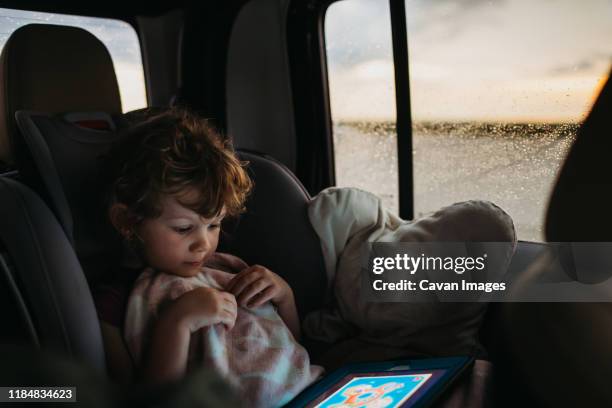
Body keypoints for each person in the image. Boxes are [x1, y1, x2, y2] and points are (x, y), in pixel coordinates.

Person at [93, 108, 322, 406]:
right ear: (127, 221)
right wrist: (177, 322)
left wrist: (284, 298)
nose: (203, 243)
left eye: (214, 225)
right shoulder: (112, 306)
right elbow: (146, 399)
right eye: (183, 228)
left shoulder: (225, 271)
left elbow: (286, 354)